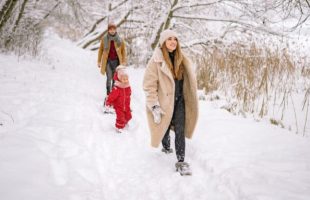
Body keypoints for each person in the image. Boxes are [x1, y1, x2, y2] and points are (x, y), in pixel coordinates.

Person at [143, 29, 198, 175]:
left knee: (180, 128)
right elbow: (149, 85)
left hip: (180, 100)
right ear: (163, 42)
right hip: (164, 102)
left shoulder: (182, 59)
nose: (173, 42)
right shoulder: (156, 61)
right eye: (169, 39)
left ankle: (181, 161)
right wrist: (154, 105)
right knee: (165, 127)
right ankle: (166, 146)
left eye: (175, 39)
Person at [97, 22, 127, 102]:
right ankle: (108, 93)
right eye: (111, 29)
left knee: (115, 79)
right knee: (109, 77)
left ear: (116, 30)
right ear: (108, 30)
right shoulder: (104, 39)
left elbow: (123, 51)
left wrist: (123, 61)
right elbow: (100, 50)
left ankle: (113, 94)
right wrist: (99, 61)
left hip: (117, 62)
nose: (112, 31)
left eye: (114, 29)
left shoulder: (120, 40)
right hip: (107, 61)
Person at [105, 65, 132, 133]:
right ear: (119, 79)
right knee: (120, 117)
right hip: (119, 106)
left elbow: (129, 93)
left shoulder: (127, 86)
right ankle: (119, 127)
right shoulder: (117, 88)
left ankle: (125, 123)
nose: (126, 81)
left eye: (126, 79)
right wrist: (108, 103)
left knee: (129, 116)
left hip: (126, 106)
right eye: (124, 79)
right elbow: (111, 96)